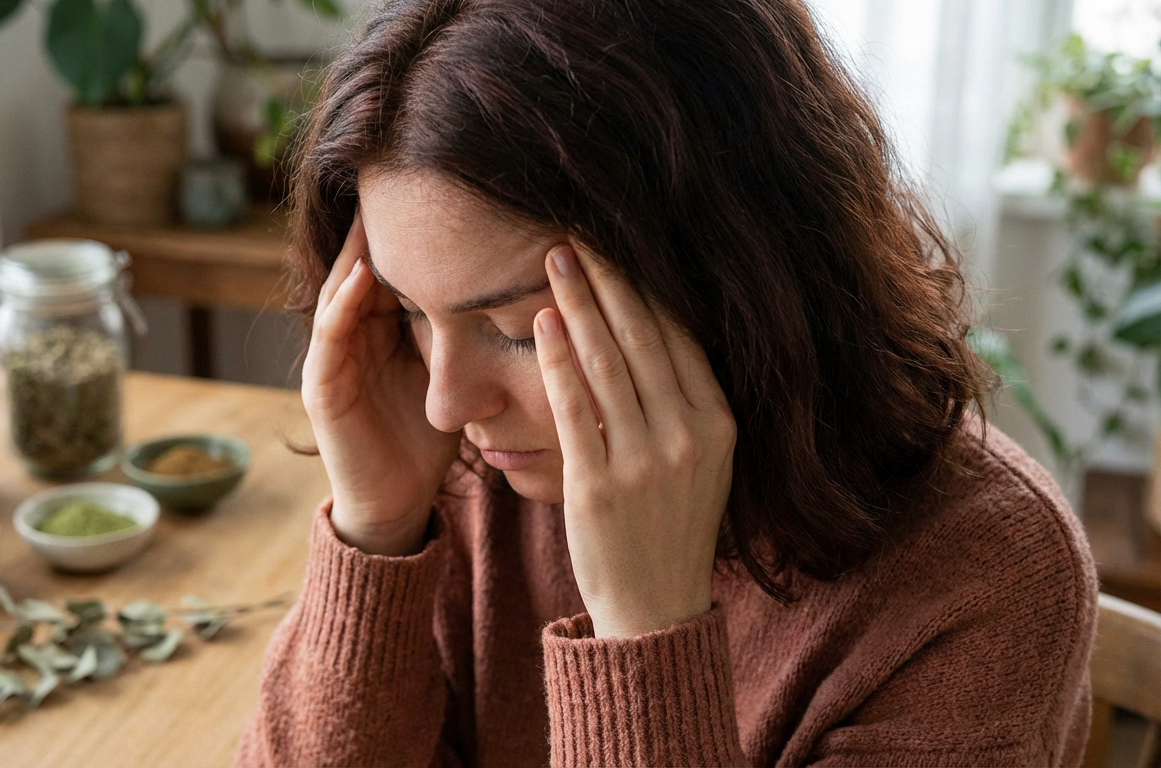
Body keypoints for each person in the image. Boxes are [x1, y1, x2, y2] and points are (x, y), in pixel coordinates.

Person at [235, 0, 1098, 765]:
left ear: (736, 279)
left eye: (514, 331)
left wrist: (646, 631)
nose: (445, 404)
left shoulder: (989, 583)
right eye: (412, 314)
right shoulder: (466, 475)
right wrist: (376, 531)